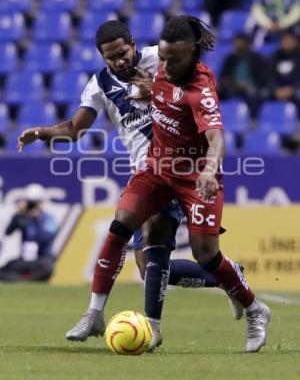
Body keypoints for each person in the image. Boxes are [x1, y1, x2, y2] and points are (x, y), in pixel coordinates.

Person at [18, 20, 244, 350]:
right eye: (111, 58)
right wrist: (41, 132)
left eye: (123, 53)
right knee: (148, 265)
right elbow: (75, 128)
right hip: (148, 172)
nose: (119, 61)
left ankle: (124, 321)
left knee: (141, 242)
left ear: (133, 44)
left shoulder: (161, 59)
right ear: (102, 57)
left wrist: (160, 88)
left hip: (181, 165)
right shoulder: (99, 85)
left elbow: (200, 86)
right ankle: (229, 277)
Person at [0, 183, 58, 282]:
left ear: (40, 203)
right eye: (30, 202)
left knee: (47, 268)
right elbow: (8, 232)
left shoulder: (47, 218)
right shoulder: (22, 217)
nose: (31, 206)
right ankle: (24, 279)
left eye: (34, 203)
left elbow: (48, 237)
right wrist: (17, 215)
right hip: (25, 260)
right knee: (5, 269)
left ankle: (22, 279)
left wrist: (37, 220)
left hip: (41, 258)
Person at [218, 33, 270, 117]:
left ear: (247, 44)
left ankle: (253, 118)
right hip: (234, 86)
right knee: (214, 92)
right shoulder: (230, 59)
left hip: (251, 86)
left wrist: (249, 84)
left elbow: (263, 78)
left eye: (240, 42)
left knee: (253, 93)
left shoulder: (257, 58)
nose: (237, 45)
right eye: (235, 42)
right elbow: (223, 77)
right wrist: (232, 83)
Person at [269, 31, 300, 104]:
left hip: (296, 88)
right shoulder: (273, 57)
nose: (287, 42)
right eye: (284, 39)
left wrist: (292, 89)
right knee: (260, 94)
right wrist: (275, 89)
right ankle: (255, 115)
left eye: (290, 39)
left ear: (296, 42)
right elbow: (268, 76)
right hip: (277, 90)